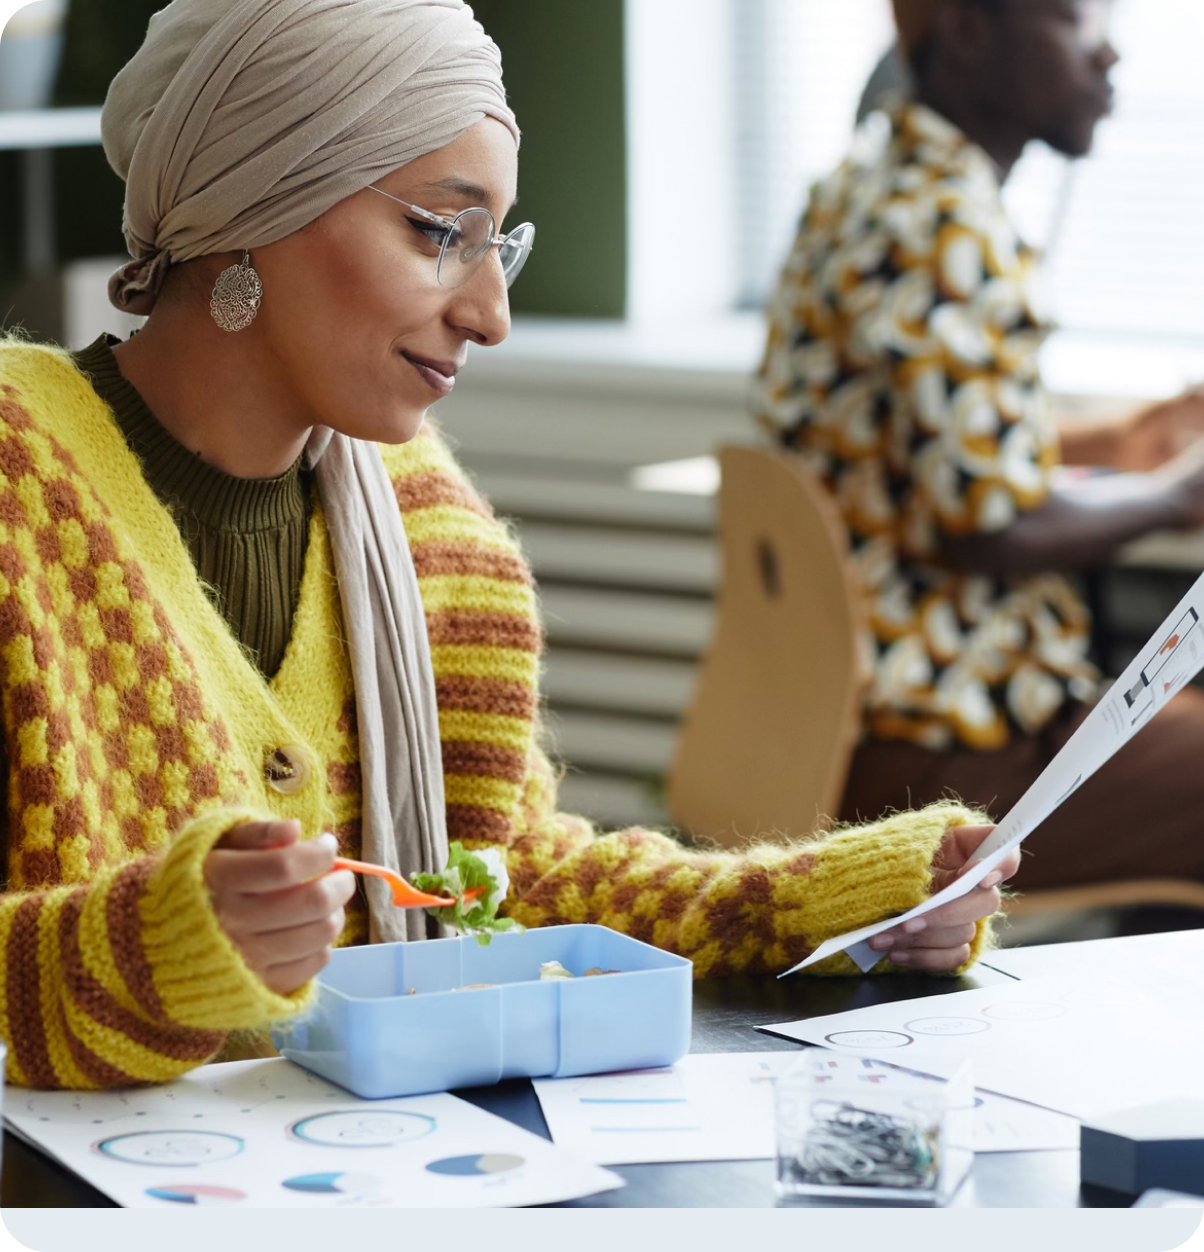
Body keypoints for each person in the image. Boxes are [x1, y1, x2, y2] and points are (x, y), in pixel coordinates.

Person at [0, 0, 1016, 1093]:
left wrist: (828, 903)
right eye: (442, 234)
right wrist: (139, 952)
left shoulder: (433, 528)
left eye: (500, 248)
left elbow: (487, 883)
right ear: (258, 196)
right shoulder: (18, 484)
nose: (490, 313)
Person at [754, 0, 1204, 895]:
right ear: (966, 34)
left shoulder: (866, 182)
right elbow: (989, 527)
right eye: (1076, 24)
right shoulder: (945, 222)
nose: (1108, 51)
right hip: (943, 753)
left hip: (838, 720)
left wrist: (1117, 443)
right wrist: (1179, 499)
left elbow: (919, 455)